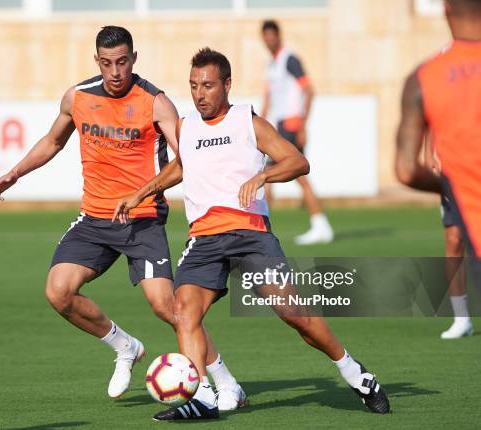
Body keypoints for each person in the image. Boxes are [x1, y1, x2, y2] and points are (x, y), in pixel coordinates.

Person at [114, 48, 390, 420]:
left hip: (250, 233)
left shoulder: (248, 121)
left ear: (227, 85)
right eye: (194, 86)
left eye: (208, 86)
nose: (200, 94)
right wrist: (140, 193)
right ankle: (203, 399)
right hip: (204, 239)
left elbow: (297, 161)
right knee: (184, 311)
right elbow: (181, 167)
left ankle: (355, 373)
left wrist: (264, 175)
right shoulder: (186, 125)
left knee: (294, 314)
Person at [0, 26, 242, 407]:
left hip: (142, 220)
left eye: (122, 62)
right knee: (58, 292)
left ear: (134, 59)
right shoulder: (77, 97)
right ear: (97, 61)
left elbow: (188, 158)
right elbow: (53, 141)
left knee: (168, 308)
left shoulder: (155, 102)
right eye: (107, 63)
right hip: (94, 220)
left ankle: (224, 382)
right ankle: (124, 346)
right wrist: (16, 172)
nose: (115, 71)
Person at [396, 0, 481, 328]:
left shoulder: (424, 78)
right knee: (452, 240)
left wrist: (453, 183)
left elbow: (405, 169)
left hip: (464, 196)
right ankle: (461, 318)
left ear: (445, 10)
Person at [260, 19, 333, 245]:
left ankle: (264, 230)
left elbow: (309, 90)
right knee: (277, 176)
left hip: (292, 124)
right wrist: (259, 122)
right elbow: (269, 98)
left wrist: (303, 124)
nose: (269, 39)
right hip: (280, 125)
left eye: (272, 35)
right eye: (266, 36)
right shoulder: (272, 65)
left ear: (278, 35)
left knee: (279, 175)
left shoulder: (289, 59)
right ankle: (318, 224)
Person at [425, 139, 473, 338]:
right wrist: (429, 155)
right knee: (454, 240)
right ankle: (461, 318)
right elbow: (430, 117)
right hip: (453, 168)